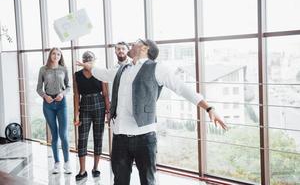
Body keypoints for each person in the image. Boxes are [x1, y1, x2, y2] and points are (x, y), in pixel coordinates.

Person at [77, 39, 227, 185]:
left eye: (136, 42)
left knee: (147, 181)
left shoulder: (157, 68)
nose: (131, 44)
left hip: (144, 137)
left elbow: (181, 88)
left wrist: (209, 108)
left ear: (144, 48)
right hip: (119, 136)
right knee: (120, 181)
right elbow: (103, 74)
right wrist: (89, 66)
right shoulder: (122, 69)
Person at [73, 51, 110, 181]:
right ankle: (82, 170)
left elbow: (105, 93)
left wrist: (108, 111)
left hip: (99, 105)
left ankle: (96, 167)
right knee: (82, 138)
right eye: (86, 59)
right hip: (84, 106)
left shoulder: (100, 72)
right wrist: (76, 115)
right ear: (82, 61)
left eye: (91, 58)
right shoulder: (77, 75)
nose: (88, 60)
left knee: (98, 137)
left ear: (95, 60)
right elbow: (76, 95)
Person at [36, 47, 71, 174]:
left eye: (58, 54)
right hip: (48, 105)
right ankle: (57, 163)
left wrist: (62, 94)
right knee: (54, 135)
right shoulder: (43, 70)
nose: (56, 56)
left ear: (61, 56)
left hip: (62, 103)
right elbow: (39, 88)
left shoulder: (64, 69)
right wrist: (45, 96)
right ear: (50, 55)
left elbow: (68, 86)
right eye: (54, 54)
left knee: (64, 135)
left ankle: (67, 163)